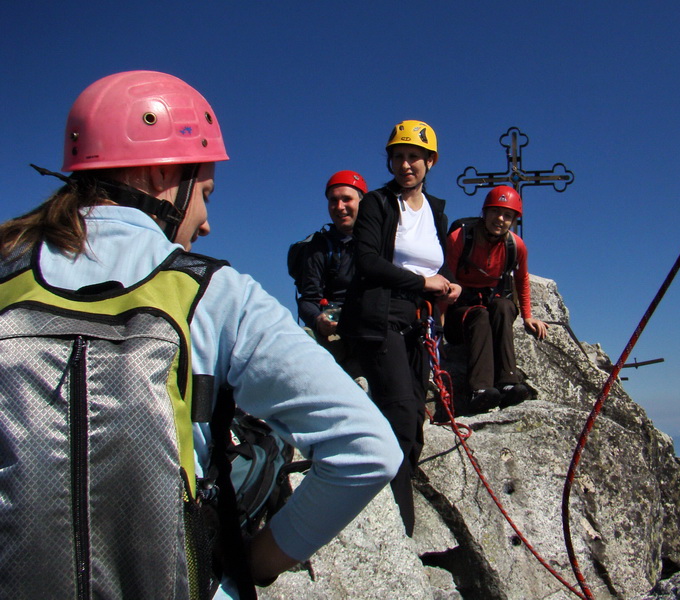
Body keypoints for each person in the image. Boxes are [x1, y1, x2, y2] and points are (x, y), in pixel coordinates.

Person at [0, 71, 401, 597]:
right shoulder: (216, 293)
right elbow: (369, 449)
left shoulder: (8, 273)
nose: (206, 221)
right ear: (163, 173)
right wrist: (250, 566)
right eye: (205, 192)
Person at [338, 119, 460, 536]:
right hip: (381, 317)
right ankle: (398, 523)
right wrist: (422, 283)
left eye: (414, 156)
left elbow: (437, 265)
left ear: (431, 161)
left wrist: (446, 286)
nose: (406, 164)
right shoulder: (377, 203)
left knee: (416, 424)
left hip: (419, 322)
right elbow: (368, 262)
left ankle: (394, 506)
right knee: (402, 414)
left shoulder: (436, 212)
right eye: (398, 156)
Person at [445, 185, 548, 414]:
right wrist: (439, 324)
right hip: (459, 311)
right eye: (495, 212)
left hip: (490, 303)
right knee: (479, 315)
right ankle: (479, 391)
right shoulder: (461, 237)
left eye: (508, 215)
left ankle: (508, 382)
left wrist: (528, 316)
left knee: (503, 306)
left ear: (513, 220)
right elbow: (446, 278)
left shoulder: (515, 246)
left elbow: (521, 279)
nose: (500, 219)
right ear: (485, 212)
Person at [290, 170, 366, 374]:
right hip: (334, 328)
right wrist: (318, 320)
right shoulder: (320, 246)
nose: (339, 207)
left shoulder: (379, 242)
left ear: (362, 202)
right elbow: (308, 299)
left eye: (347, 199)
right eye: (333, 200)